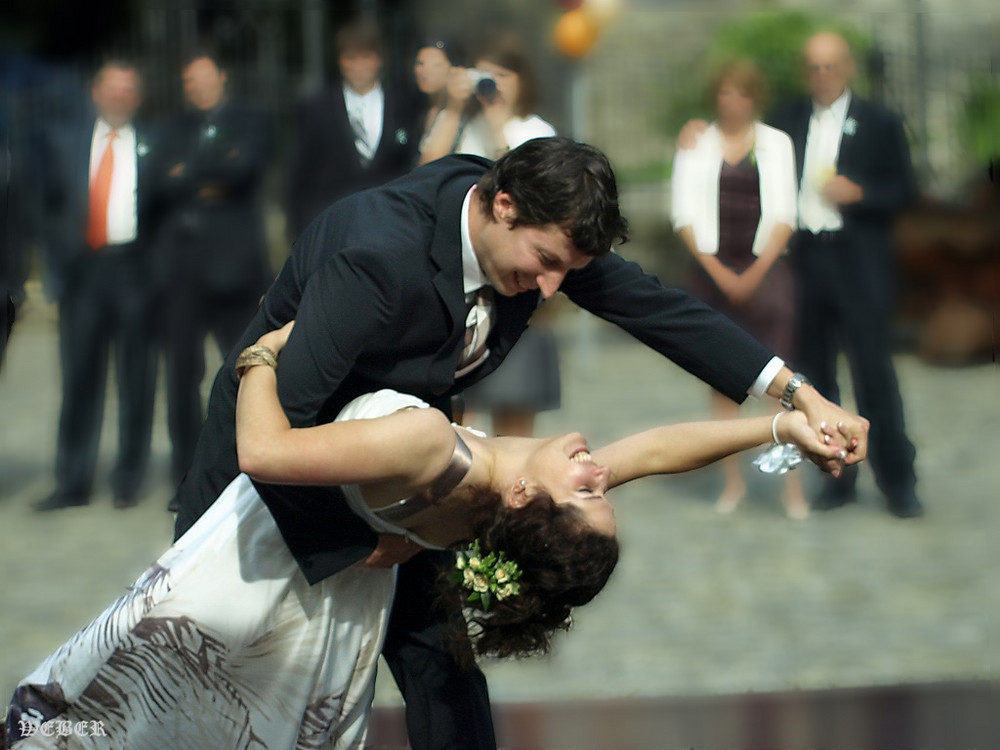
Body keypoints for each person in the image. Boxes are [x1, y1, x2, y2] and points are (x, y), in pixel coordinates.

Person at [170, 137, 868, 750]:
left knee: (444, 675)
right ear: (501, 204)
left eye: (569, 269)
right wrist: (357, 542)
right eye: (546, 262)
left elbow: (661, 312)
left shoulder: (536, 231)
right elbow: (273, 429)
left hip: (408, 478)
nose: (554, 288)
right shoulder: (376, 257)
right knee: (213, 688)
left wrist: (797, 398)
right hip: (269, 487)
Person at [5, 318, 842, 749]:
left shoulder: (432, 450)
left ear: (522, 498)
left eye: (588, 491)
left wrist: (258, 358)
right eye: (602, 487)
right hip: (334, 593)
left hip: (260, 572)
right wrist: (781, 427)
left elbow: (263, 451)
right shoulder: (519, 493)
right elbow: (660, 451)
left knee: (125, 715)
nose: (599, 468)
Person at [679, 32, 921, 518]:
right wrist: (695, 129)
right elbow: (740, 130)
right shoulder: (789, 118)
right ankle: (835, 477)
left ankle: (898, 482)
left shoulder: (879, 120)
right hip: (806, 260)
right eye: (813, 67)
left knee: (874, 373)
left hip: (857, 259)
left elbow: (907, 190)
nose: (822, 75)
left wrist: (862, 194)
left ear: (847, 67)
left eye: (830, 66)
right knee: (815, 377)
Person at [671, 60, 807, 519]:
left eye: (742, 94)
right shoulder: (696, 142)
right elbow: (684, 213)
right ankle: (732, 483)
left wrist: (755, 272)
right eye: (726, 93)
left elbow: (787, 212)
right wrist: (717, 271)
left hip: (765, 268)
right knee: (722, 382)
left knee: (782, 382)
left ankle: (791, 486)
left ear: (754, 99)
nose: (733, 102)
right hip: (712, 268)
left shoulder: (775, 143)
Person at [33, 60, 159, 511]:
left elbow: (164, 210)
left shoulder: (152, 143)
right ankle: (72, 480)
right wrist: (57, 267)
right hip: (82, 274)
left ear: (137, 98)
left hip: (133, 272)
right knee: (79, 378)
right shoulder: (66, 142)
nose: (119, 97)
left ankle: (127, 479)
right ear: (96, 92)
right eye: (112, 88)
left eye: (128, 90)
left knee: (135, 379)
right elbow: (48, 206)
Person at [156, 47, 273, 489]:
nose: (197, 88)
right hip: (182, 272)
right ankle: (184, 477)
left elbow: (243, 168)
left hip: (235, 272)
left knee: (242, 372)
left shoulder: (252, 120)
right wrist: (207, 178)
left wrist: (188, 174)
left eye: (204, 79)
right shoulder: (172, 127)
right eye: (189, 82)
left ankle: (236, 470)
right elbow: (156, 179)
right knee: (181, 378)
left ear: (222, 77)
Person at [454, 38, 561, 437]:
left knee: (515, 403)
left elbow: (526, 190)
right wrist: (452, 107)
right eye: (485, 76)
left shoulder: (536, 130)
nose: (492, 85)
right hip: (472, 275)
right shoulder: (468, 127)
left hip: (516, 278)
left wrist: (498, 125)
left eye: (501, 75)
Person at [287, 21, 421, 239]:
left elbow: (409, 165)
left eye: (365, 57)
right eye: (350, 58)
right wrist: (300, 234)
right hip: (332, 226)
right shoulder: (317, 108)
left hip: (390, 226)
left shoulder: (404, 104)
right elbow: (302, 173)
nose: (358, 65)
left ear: (379, 59)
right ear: (340, 61)